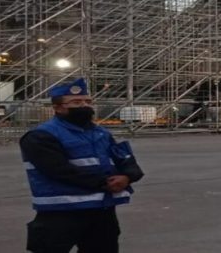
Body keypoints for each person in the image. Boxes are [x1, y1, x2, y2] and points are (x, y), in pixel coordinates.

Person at [19, 78, 144, 253]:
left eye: (87, 101)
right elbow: (58, 170)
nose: (84, 106)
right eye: (76, 102)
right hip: (60, 212)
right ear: (58, 107)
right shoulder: (41, 135)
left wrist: (128, 176)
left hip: (101, 210)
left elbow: (124, 159)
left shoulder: (100, 133)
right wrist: (104, 182)